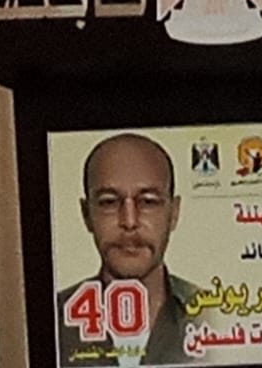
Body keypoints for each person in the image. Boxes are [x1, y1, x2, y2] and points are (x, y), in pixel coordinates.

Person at [56, 133, 197, 366]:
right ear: (86, 214)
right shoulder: (49, 319)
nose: (129, 221)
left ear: (174, 213)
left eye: (148, 201)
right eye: (109, 202)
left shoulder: (215, 316)